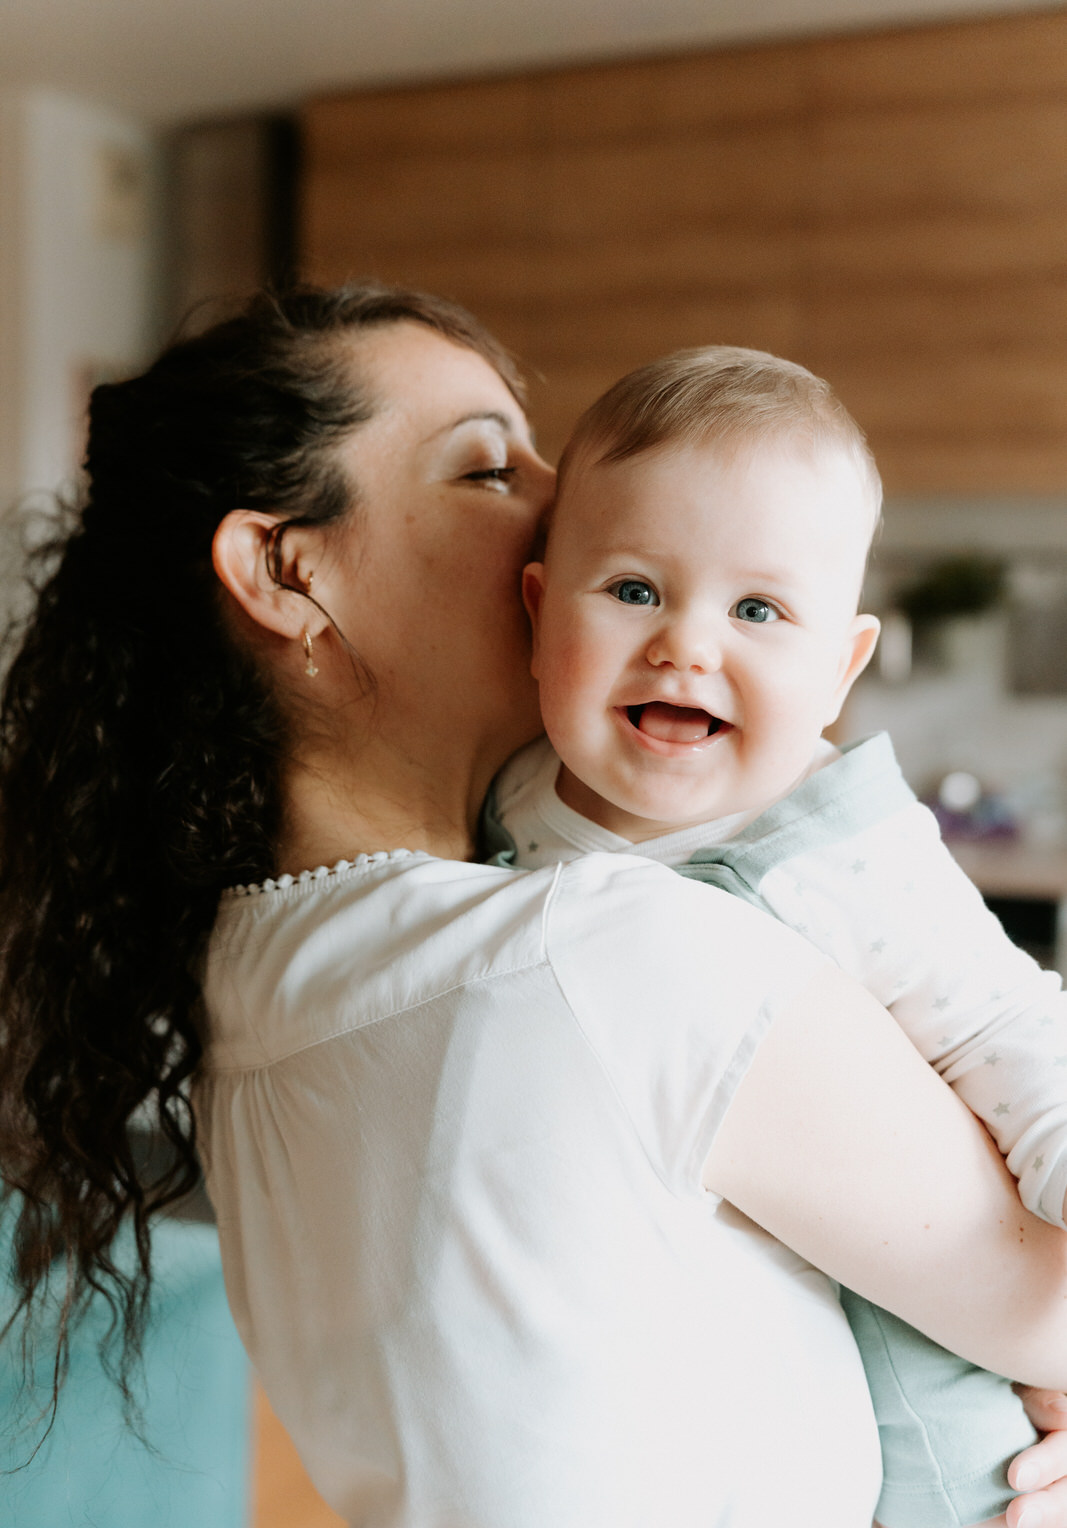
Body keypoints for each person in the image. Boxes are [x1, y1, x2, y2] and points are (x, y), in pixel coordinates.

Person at [2, 286, 1067, 1528]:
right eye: (485, 465)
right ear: (288, 572)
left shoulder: (249, 994)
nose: (561, 497)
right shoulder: (605, 951)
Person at [487, 344, 1067, 1528]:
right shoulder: (503, 805)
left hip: (934, 1364)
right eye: (635, 589)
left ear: (836, 668)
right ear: (541, 606)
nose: (686, 646)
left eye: (757, 610)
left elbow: (1002, 1017)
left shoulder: (836, 846)